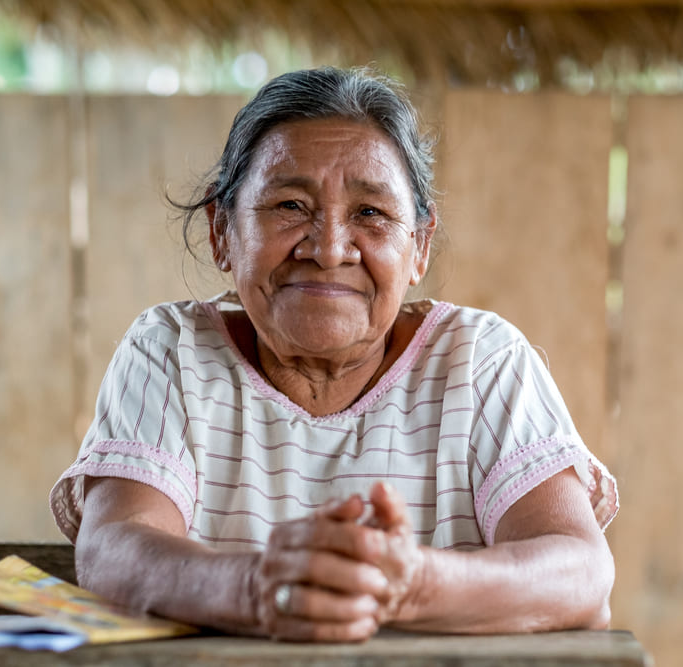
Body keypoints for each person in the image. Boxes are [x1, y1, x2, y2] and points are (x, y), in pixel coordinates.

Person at [50, 66, 618, 642]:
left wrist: (411, 582)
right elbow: (112, 551)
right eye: (290, 206)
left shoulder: (482, 362)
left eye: (370, 213)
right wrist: (258, 587)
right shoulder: (171, 350)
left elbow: (580, 574)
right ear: (222, 230)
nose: (328, 250)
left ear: (419, 247)